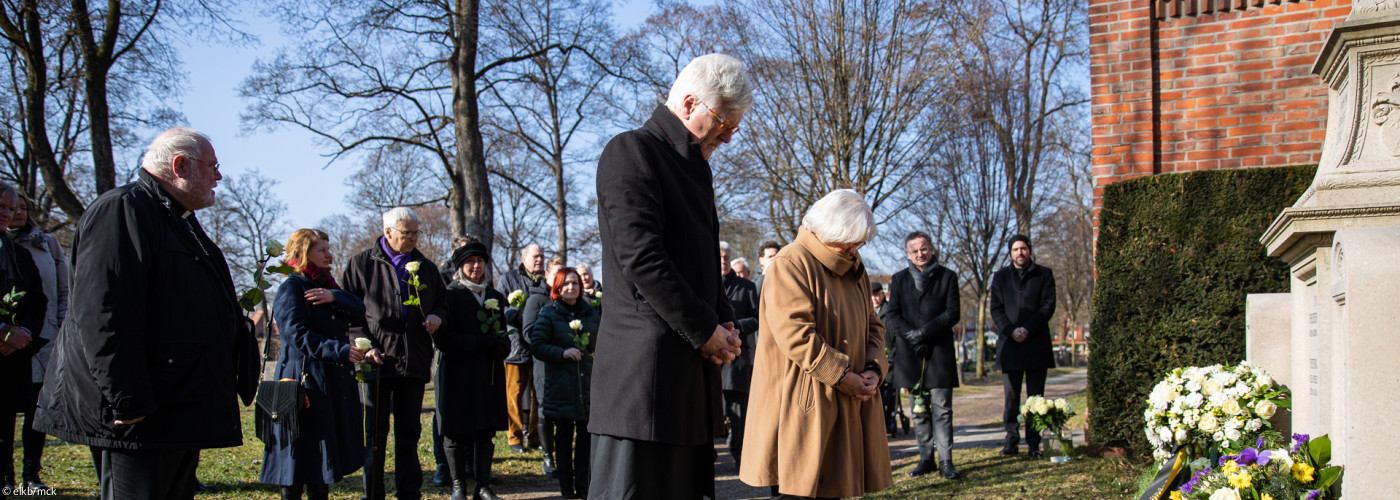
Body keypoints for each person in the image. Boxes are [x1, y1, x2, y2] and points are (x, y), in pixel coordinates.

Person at [35, 127, 255, 499]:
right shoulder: (123, 210)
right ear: (180, 165)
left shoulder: (177, 219)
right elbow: (103, 312)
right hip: (140, 419)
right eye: (212, 166)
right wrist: (128, 399)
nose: (219, 176)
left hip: (176, 408)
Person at [590, 53, 750, 499]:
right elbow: (642, 258)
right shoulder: (631, 151)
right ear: (688, 103)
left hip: (687, 385)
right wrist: (704, 330)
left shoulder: (695, 171)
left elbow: (699, 265)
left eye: (734, 127)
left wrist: (725, 321)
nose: (728, 137)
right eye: (723, 123)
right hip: (644, 385)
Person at [739, 189, 892, 499]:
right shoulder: (790, 262)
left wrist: (874, 368)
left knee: (836, 490)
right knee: (800, 490)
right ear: (830, 231)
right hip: (803, 406)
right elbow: (796, 334)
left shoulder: (855, 268)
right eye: (851, 243)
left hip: (848, 397)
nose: (854, 250)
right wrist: (843, 375)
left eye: (859, 244)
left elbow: (874, 327)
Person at [341, 206, 448, 500]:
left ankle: (409, 492)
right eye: (406, 233)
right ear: (388, 232)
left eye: (416, 233)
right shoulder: (361, 264)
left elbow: (442, 303)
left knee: (409, 433)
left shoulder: (426, 267)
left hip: (413, 359)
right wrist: (365, 345)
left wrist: (438, 317)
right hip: (377, 361)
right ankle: (373, 492)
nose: (413, 238)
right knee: (375, 434)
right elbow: (350, 315)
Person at [260, 229, 368, 499]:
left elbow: (358, 307)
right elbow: (296, 335)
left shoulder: (327, 286)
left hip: (327, 382)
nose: (329, 254)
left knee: (322, 462)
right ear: (302, 254)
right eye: (322, 250)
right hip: (301, 384)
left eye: (328, 248)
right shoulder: (291, 288)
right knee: (296, 461)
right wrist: (340, 350)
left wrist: (335, 297)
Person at [880, 231, 963, 479]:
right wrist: (911, 336)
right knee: (919, 410)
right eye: (915, 250)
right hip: (910, 353)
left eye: (924, 248)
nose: (920, 254)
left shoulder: (947, 277)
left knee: (942, 408)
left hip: (938, 352)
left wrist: (924, 333)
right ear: (907, 254)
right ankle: (925, 457)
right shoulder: (899, 279)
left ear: (932, 248)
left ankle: (946, 461)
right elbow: (892, 314)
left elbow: (952, 313)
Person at [434, 241, 510, 500]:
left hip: (486, 374)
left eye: (480, 261)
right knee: (455, 430)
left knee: (484, 430)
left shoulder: (495, 298)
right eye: (469, 262)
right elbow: (444, 339)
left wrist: (501, 346)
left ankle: (482, 485)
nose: (476, 266)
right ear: (459, 266)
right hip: (457, 372)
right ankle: (458, 486)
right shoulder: (449, 296)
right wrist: (478, 343)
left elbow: (503, 334)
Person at [1, 193, 66, 492]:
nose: (12, 213)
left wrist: (26, 331)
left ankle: (30, 474)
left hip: (31, 342)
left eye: (16, 208)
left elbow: (43, 295)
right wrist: (3, 332)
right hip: (8, 341)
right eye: (3, 207)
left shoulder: (31, 249)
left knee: (34, 406)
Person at [530, 267, 600, 499]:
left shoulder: (590, 313)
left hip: (586, 386)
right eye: (566, 284)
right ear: (557, 288)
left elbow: (599, 342)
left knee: (585, 440)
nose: (571, 287)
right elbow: (537, 344)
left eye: (575, 284)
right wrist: (561, 353)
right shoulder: (549, 313)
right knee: (563, 440)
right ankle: (566, 488)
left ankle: (583, 485)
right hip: (560, 385)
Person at [990, 234, 1057, 459]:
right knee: (1011, 396)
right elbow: (996, 309)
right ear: (1011, 253)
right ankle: (1011, 440)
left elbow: (1048, 306)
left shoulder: (1044, 275)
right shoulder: (1000, 278)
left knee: (1036, 398)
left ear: (1030, 251)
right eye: (1016, 249)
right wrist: (1011, 330)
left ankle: (1033, 442)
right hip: (1010, 346)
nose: (1020, 253)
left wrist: (1028, 328)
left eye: (1024, 249)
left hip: (1036, 343)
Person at [434, 235, 477, 487]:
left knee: (472, 407)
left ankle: (470, 462)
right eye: (465, 254)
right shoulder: (442, 276)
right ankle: (443, 464)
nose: (471, 261)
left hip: (471, 351)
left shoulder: (479, 275)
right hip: (447, 349)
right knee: (444, 410)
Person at [495, 244, 545, 456]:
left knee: (538, 394)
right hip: (515, 346)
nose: (539, 260)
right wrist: (517, 313)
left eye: (542, 256)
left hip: (539, 344)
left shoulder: (546, 280)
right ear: (523, 259)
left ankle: (534, 436)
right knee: (513, 394)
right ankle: (514, 436)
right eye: (535, 256)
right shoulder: (508, 278)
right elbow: (497, 305)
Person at [718, 242, 758, 470]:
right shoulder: (706, 283)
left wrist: (734, 328)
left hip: (736, 361)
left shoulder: (746, 286)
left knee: (738, 416)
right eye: (719, 257)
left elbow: (757, 318)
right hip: (710, 359)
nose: (722, 261)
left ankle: (741, 459)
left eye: (726, 257)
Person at [523, 257, 564, 478]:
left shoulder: (568, 299)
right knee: (545, 409)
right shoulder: (536, 300)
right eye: (555, 274)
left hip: (566, 364)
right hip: (544, 363)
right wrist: (552, 347)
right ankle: (548, 457)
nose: (560, 279)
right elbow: (528, 332)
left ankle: (565, 457)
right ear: (546, 275)